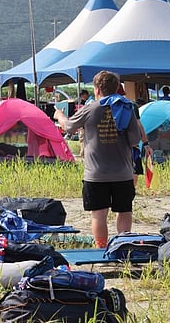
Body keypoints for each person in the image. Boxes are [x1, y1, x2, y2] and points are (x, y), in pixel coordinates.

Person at [54, 71, 141, 248]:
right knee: (124, 211)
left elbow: (69, 127)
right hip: (123, 173)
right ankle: (123, 247)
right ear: (117, 88)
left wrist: (59, 116)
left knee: (98, 215)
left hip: (96, 174)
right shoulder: (127, 108)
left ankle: (101, 249)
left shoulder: (90, 108)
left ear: (96, 89)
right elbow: (134, 140)